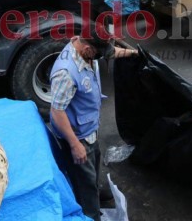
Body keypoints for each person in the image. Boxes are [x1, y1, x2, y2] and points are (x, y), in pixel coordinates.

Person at [50, 33, 138, 221]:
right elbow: (57, 112)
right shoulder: (65, 73)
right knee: (84, 182)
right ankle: (90, 214)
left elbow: (112, 52)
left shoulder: (85, 49)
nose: (104, 56)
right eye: (99, 54)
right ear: (88, 49)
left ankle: (94, 190)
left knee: (93, 167)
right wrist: (75, 144)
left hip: (89, 128)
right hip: (77, 136)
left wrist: (134, 53)